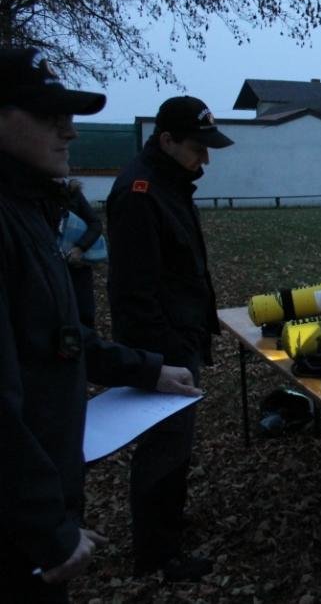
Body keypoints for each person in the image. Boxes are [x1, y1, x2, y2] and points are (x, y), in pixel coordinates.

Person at [0, 48, 199, 602]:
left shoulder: (28, 211)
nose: (69, 130)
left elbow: (60, 339)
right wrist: (45, 527)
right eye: (49, 115)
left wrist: (150, 370)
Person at [105, 96, 233, 581]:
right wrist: (158, 362)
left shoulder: (168, 184)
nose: (206, 159)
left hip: (178, 337)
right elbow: (133, 289)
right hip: (161, 347)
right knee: (163, 445)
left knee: (175, 444)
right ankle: (157, 554)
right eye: (198, 148)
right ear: (166, 141)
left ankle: (168, 529)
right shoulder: (140, 193)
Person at [60, 178, 103, 328]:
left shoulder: (72, 193)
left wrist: (80, 248)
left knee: (84, 315)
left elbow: (95, 224)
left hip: (76, 266)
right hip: (48, 268)